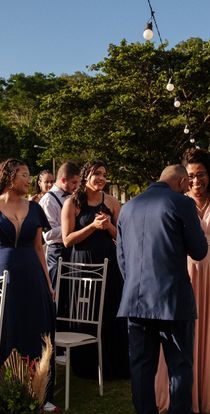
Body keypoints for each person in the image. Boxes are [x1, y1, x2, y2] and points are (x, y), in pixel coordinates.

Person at [117, 165, 208, 414]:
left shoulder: (128, 206)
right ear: (182, 181)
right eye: (186, 183)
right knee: (179, 364)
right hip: (172, 298)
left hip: (135, 297)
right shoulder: (182, 202)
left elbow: (121, 257)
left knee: (141, 366)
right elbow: (200, 250)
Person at [0, 159, 57, 409]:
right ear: (9, 177)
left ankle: (39, 388)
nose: (29, 180)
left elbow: (39, 247)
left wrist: (48, 282)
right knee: (5, 327)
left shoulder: (35, 208)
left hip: (32, 275)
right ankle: (3, 386)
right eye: (24, 175)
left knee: (34, 326)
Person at [154, 148, 210, 414]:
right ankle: (177, 393)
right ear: (184, 178)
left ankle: (207, 394)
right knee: (181, 329)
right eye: (192, 176)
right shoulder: (177, 200)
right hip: (182, 269)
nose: (197, 181)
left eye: (202, 175)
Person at [61, 160, 128, 380]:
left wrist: (108, 226)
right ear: (85, 175)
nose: (101, 178)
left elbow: (122, 237)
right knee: (86, 311)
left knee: (110, 309)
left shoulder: (112, 202)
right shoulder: (72, 203)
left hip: (109, 263)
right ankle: (86, 366)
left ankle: (112, 365)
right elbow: (67, 240)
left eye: (104, 174)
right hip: (83, 264)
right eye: (97, 173)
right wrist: (92, 226)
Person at [39, 162, 80, 287]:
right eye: (74, 182)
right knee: (57, 293)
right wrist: (71, 226)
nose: (77, 186)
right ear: (63, 180)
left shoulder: (74, 197)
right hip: (57, 253)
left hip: (72, 251)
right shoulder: (48, 200)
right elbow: (48, 234)